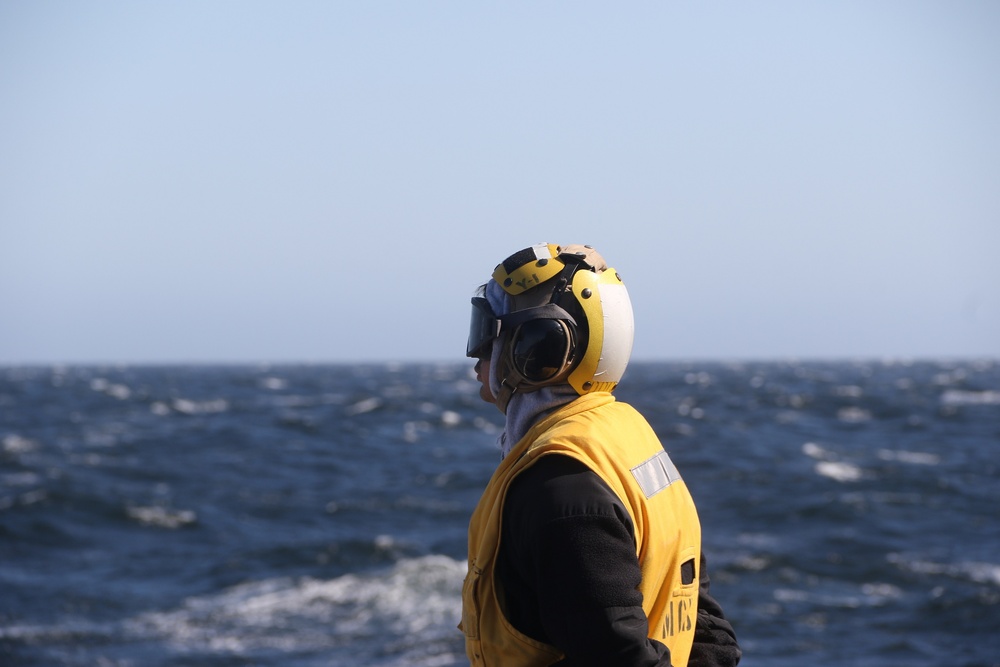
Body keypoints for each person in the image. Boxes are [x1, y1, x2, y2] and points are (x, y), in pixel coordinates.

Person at [460, 243, 741, 667]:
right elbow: (702, 622)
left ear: (538, 352)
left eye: (490, 334)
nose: (476, 354)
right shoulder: (626, 439)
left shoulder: (560, 488)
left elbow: (618, 656)